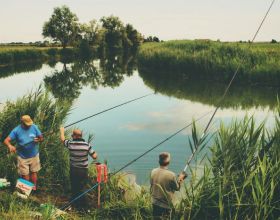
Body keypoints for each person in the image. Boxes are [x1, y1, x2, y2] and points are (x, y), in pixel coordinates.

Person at [60, 127, 97, 210]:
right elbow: (95, 156)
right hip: (83, 170)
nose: (72, 136)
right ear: (81, 136)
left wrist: (62, 130)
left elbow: (62, 140)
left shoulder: (70, 144)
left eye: (72, 135)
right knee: (82, 187)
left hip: (74, 170)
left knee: (74, 186)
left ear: (75, 136)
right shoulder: (87, 145)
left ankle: (79, 204)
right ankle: (83, 205)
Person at [4, 115, 43, 190]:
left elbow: (41, 138)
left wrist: (38, 140)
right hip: (22, 157)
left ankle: (34, 188)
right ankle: (25, 190)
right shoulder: (16, 130)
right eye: (27, 124)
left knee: (34, 172)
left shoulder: (34, 127)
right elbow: (6, 140)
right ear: (22, 122)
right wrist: (10, 146)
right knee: (25, 175)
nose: (29, 126)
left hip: (34, 155)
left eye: (29, 124)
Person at [150, 152, 187, 219]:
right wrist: (181, 180)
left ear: (159, 161)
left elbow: (152, 184)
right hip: (165, 205)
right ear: (169, 162)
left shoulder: (153, 171)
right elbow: (177, 188)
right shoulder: (171, 175)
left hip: (154, 202)